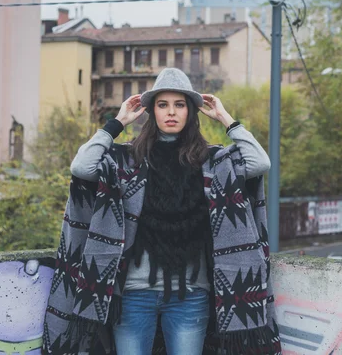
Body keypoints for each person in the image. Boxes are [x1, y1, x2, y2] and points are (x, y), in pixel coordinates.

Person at [43, 68, 281, 355]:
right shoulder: (128, 159)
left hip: (191, 296)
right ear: (151, 111)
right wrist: (117, 122)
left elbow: (259, 162)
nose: (171, 112)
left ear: (191, 112)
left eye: (180, 105)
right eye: (162, 105)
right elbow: (82, 167)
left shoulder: (212, 161)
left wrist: (226, 118)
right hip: (133, 294)